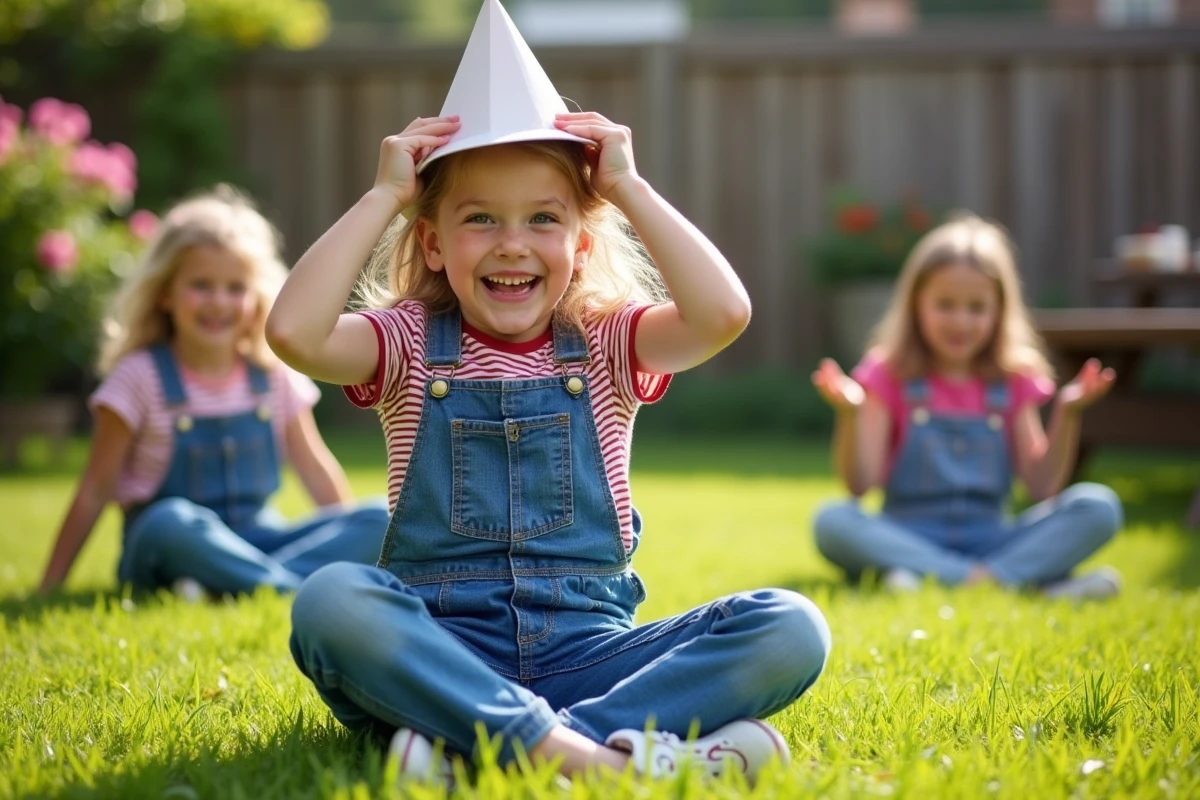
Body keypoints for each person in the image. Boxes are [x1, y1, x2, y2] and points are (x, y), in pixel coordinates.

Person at [267, 89, 831, 790]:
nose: (512, 242)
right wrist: (384, 194)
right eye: (480, 219)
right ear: (434, 243)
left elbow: (722, 313)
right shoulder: (405, 344)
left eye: (543, 218)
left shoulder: (609, 341)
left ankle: (482, 747)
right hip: (444, 651)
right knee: (330, 600)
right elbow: (294, 333)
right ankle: (607, 761)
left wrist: (627, 185)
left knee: (790, 626)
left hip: (590, 651)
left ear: (580, 245)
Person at [39, 186, 390, 599]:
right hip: (170, 546)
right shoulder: (138, 378)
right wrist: (50, 585)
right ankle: (282, 584)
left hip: (257, 540)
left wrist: (343, 532)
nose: (218, 302)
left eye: (234, 288)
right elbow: (96, 488)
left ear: (255, 297)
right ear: (165, 293)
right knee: (169, 520)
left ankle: (229, 584)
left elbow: (315, 468)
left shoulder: (273, 375)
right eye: (201, 285)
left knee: (379, 517)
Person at [811, 213, 1123, 598]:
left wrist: (1068, 413)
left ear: (999, 311)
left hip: (993, 538)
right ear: (915, 305)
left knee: (1099, 506)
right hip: (908, 536)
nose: (961, 321)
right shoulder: (888, 374)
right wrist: (851, 415)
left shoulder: (1013, 378)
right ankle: (1018, 584)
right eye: (945, 304)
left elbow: (1042, 486)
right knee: (832, 521)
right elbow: (860, 485)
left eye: (977, 308)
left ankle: (932, 579)